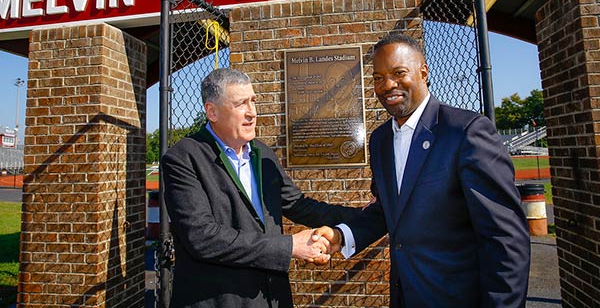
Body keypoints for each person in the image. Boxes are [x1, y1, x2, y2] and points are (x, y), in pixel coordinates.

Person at [315, 30, 531, 307]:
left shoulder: (466, 132)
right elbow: (388, 209)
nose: (387, 85)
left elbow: (505, 237)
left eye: (399, 73)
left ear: (423, 72)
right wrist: (342, 235)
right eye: (378, 78)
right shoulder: (380, 140)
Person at [161, 67, 358, 308]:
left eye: (253, 102)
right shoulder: (182, 158)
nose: (252, 113)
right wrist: (290, 246)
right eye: (240, 104)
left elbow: (298, 205)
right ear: (211, 111)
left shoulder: (262, 153)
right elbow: (202, 237)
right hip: (219, 300)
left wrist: (362, 215)